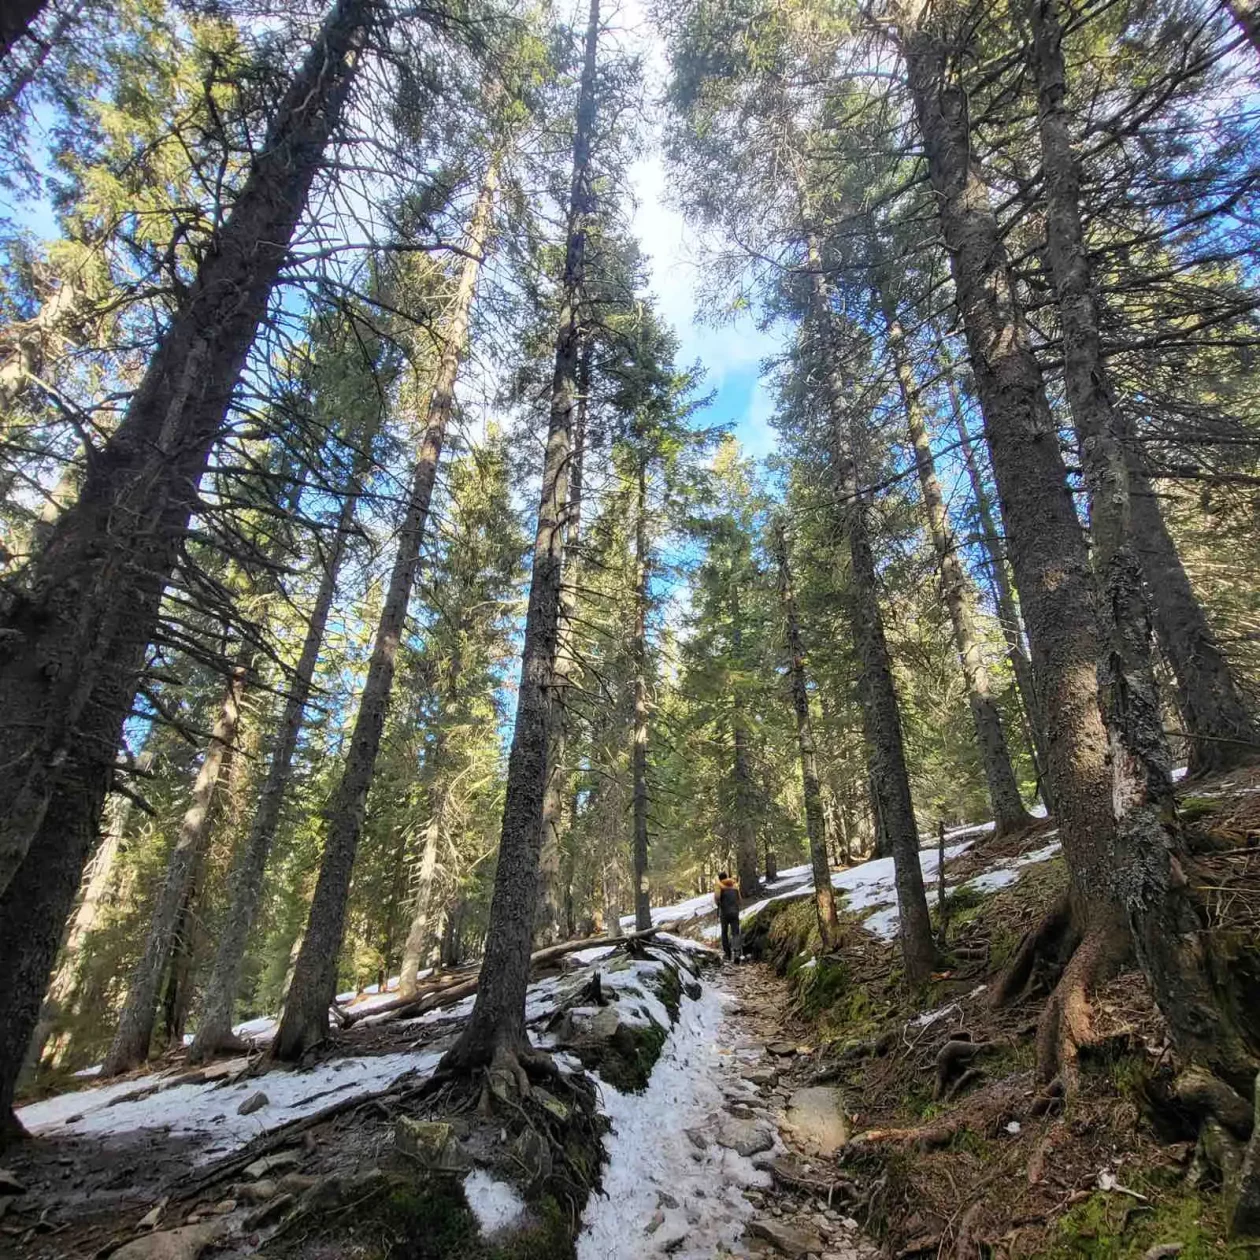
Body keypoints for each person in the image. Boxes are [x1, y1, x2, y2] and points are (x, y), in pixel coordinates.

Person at [714, 871, 742, 962]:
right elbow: (740, 900)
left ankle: (727, 954)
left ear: (720, 878)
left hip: (725, 913)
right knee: (735, 933)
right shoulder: (734, 885)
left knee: (724, 933)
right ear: (727, 877)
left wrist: (718, 902)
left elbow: (717, 898)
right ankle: (737, 953)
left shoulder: (720, 886)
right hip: (735, 912)